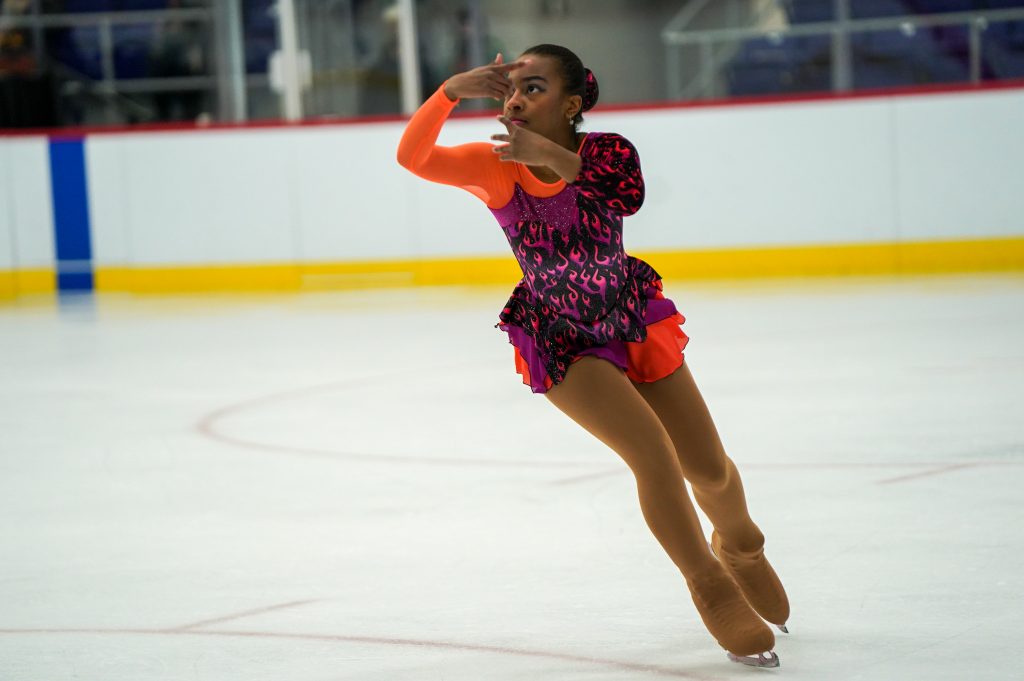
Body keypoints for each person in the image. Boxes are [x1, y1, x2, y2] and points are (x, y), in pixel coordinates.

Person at [396, 44, 789, 669]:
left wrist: (547, 154)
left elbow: (623, 196)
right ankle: (709, 585)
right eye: (511, 90)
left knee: (708, 469)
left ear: (572, 102)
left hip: (630, 318)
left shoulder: (608, 152)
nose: (516, 99)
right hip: (561, 338)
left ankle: (741, 545)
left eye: (535, 87)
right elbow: (411, 156)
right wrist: (448, 92)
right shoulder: (496, 168)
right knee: (653, 456)